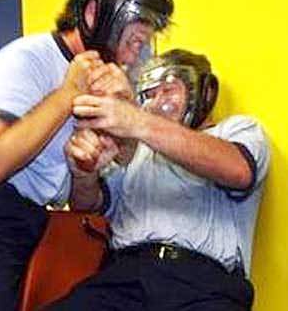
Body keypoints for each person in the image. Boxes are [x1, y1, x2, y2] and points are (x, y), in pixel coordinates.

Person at [0, 0, 174, 310]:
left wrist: (90, 165)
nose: (131, 57)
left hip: (29, 219)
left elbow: (84, 202)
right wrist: (67, 93)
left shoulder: (106, 84)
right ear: (93, 13)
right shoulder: (27, 58)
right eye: (133, 42)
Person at [49, 49, 270, 311]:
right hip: (125, 277)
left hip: (204, 286)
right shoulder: (136, 151)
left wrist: (138, 122)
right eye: (149, 95)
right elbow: (87, 205)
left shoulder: (237, 131)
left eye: (168, 90)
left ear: (205, 92)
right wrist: (83, 173)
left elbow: (238, 171)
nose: (156, 103)